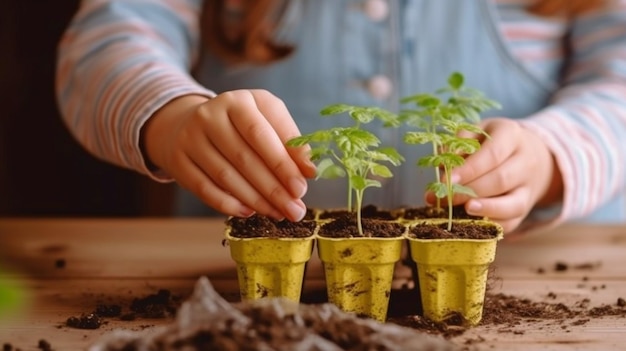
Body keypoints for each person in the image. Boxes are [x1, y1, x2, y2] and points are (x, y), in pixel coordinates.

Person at [55, 0, 626, 235]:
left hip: (549, 275)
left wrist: (554, 155)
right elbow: (108, 39)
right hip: (240, 290)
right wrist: (171, 116)